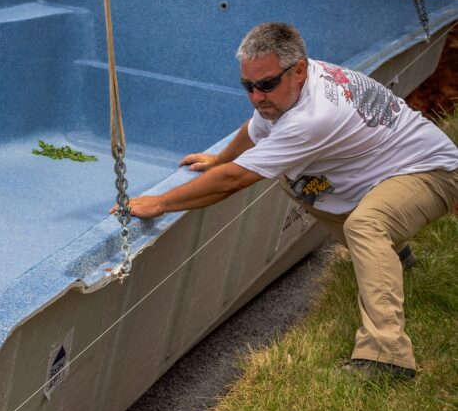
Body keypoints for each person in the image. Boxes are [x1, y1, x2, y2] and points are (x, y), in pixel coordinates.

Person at [123, 22, 458, 380]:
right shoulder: (288, 89)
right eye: (247, 86)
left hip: (430, 172)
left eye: (265, 85)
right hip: (381, 171)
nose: (256, 96)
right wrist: (220, 159)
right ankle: (392, 255)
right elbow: (255, 131)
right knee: (296, 181)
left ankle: (387, 356)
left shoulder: (313, 116)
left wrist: (160, 203)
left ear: (298, 70)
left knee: (367, 225)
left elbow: (235, 181)